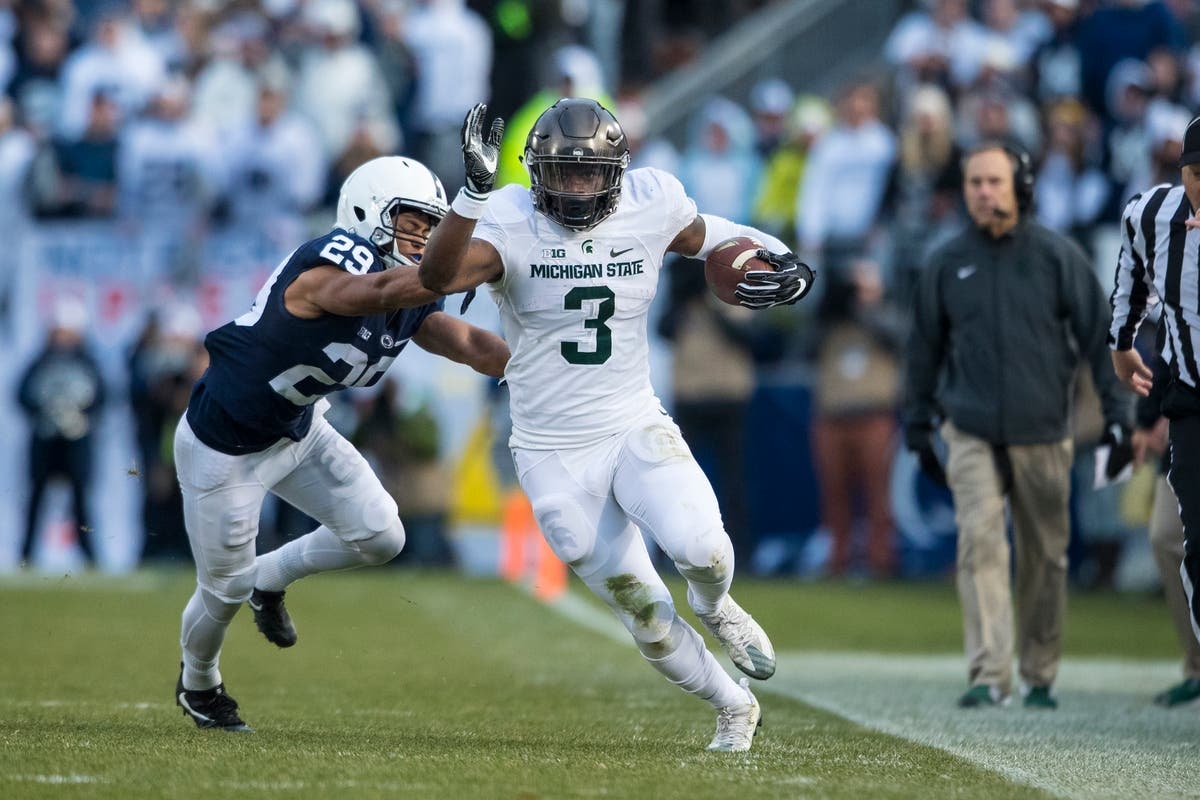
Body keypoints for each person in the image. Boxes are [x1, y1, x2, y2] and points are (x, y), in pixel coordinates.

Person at [419, 99, 814, 752]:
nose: (577, 188)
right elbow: (436, 277)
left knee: (703, 549)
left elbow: (713, 235)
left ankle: (716, 605)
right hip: (549, 447)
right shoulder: (509, 216)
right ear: (536, 172)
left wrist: (782, 258)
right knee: (643, 609)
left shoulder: (650, 201)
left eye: (590, 173)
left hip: (631, 422)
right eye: (563, 173)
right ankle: (733, 706)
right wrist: (472, 194)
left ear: (618, 171)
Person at [172, 156, 509, 732]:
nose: (424, 240)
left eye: (431, 228)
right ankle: (199, 683)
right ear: (367, 212)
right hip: (225, 444)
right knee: (222, 590)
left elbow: (465, 341)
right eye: (412, 223)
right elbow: (372, 290)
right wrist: (452, 267)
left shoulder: (406, 288)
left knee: (381, 534)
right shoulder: (336, 260)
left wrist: (533, 371)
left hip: (298, 428)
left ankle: (268, 579)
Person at [905, 141, 1131, 710]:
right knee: (979, 543)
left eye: (994, 181)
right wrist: (918, 422)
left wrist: (1117, 412)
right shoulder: (945, 261)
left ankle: (1039, 673)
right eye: (974, 182)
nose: (983, 192)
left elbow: (1102, 336)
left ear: (1021, 186)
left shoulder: (1058, 257)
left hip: (1044, 429)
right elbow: (923, 349)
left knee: (1045, 557)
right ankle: (989, 673)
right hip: (970, 428)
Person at [1110, 114, 1200, 657]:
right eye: (1197, 173)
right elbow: (1142, 290)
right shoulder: (1153, 216)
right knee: (1184, 542)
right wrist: (1121, 343)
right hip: (1189, 403)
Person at [1131, 350, 1200, 707]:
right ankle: (1197, 666)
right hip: (1185, 423)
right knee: (1166, 534)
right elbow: (1167, 350)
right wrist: (1151, 416)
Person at [17, 298, 106, 569]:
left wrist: (79, 417)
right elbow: (21, 395)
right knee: (37, 497)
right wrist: (44, 412)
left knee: (80, 499)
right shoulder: (41, 361)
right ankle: (26, 555)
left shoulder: (88, 362)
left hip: (76, 442)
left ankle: (90, 556)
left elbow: (102, 397)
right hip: (45, 441)